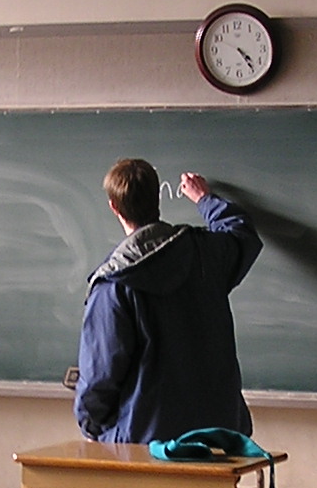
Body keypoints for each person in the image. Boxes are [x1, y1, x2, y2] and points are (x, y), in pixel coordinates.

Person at [74, 158, 261, 443]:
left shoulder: (114, 284)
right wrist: (204, 199)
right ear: (157, 197)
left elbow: (100, 375)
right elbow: (241, 233)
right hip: (219, 436)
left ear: (114, 207)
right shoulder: (205, 254)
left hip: (147, 442)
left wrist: (93, 428)